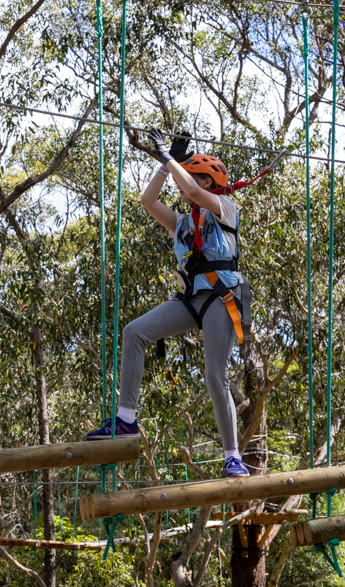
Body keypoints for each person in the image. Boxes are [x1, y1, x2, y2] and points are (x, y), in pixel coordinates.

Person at [86, 129, 250, 478]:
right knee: (135, 332)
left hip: (221, 297)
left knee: (214, 376)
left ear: (211, 180)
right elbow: (148, 201)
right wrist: (163, 166)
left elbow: (191, 189)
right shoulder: (181, 223)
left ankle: (233, 456)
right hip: (191, 299)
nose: (184, 185)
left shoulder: (225, 209)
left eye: (195, 176)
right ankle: (126, 419)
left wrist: (169, 158)